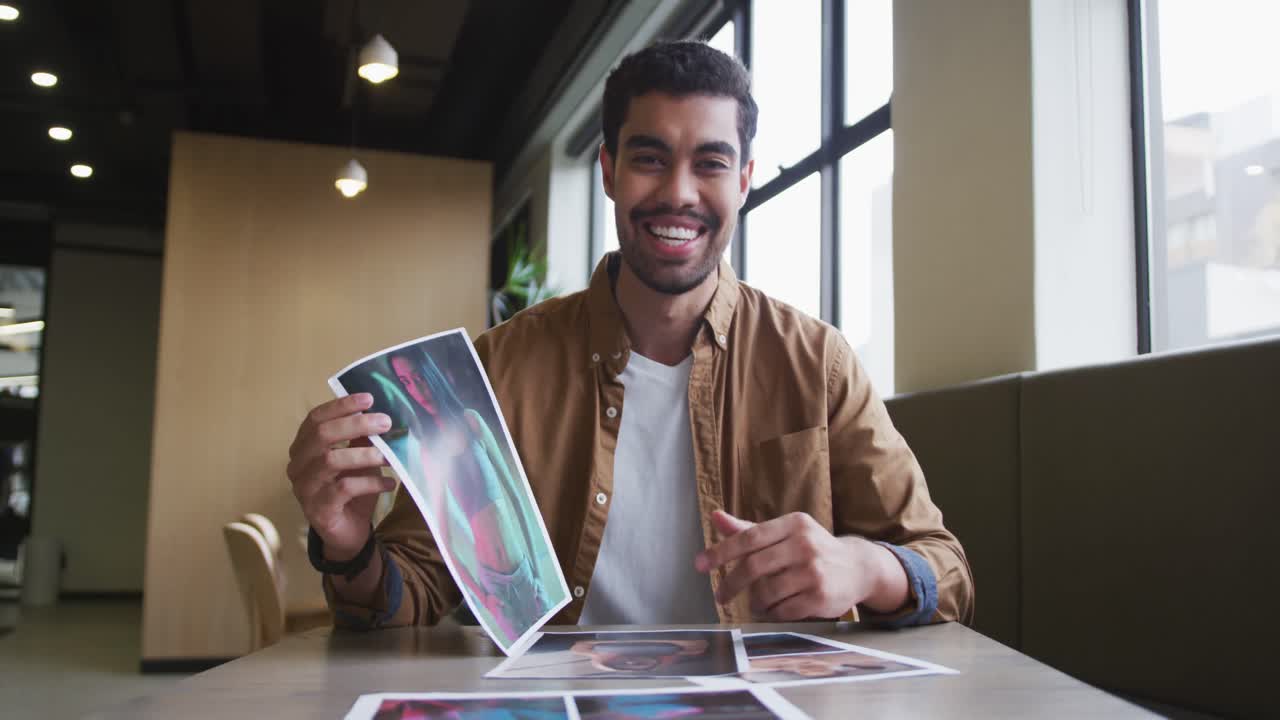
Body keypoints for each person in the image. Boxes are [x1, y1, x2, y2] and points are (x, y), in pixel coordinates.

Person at [287, 40, 974, 632]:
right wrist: (348, 548)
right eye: (650, 158)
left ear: (742, 182)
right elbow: (416, 592)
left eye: (709, 163)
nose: (679, 192)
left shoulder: (817, 362)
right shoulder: (500, 367)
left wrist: (867, 567)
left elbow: (948, 576)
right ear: (610, 171)